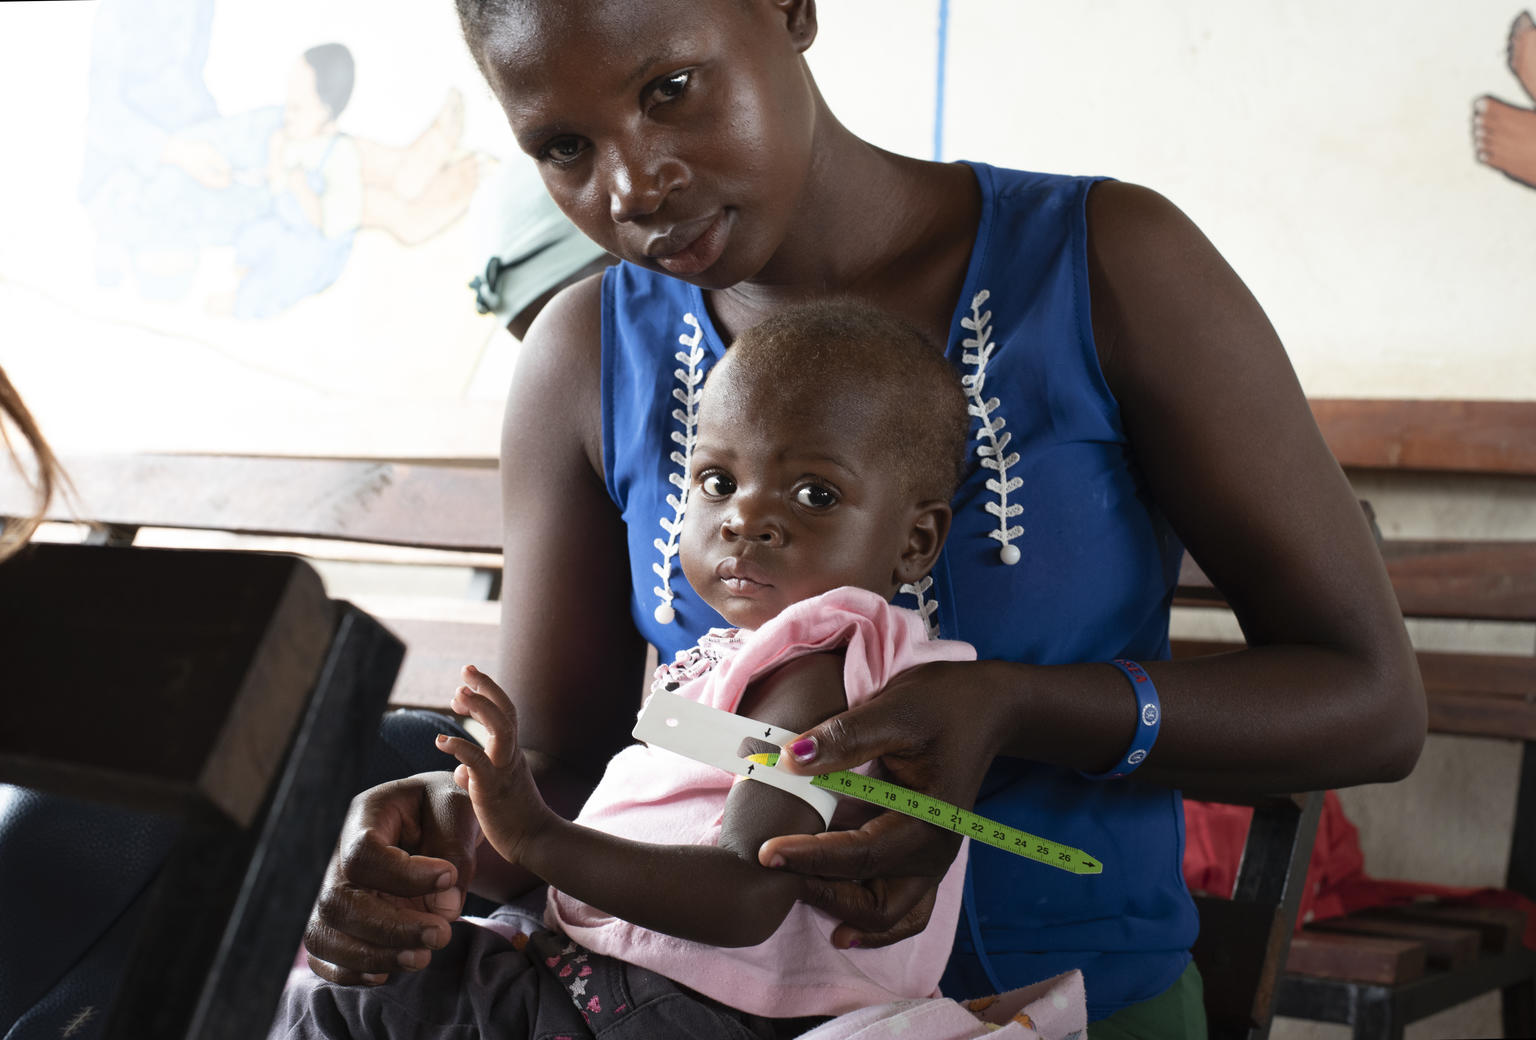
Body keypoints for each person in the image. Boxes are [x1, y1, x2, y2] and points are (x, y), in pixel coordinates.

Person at [292, 1, 1426, 1033]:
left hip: (1056, 1000)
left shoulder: (1108, 266)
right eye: (566, 148)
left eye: (669, 89)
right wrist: (447, 834)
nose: (634, 186)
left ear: (790, 11)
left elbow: (1371, 704)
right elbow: (569, 764)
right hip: (682, 1009)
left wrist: (1016, 705)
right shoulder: (585, 353)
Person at [281, 300, 1065, 1036]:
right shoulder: (773, 658)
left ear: (915, 543)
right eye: (718, 482)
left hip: (673, 1006)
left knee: (352, 1001)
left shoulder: (814, 677)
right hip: (646, 986)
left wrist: (534, 835)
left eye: (815, 494)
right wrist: (485, 823)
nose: (746, 517)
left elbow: (749, 894)